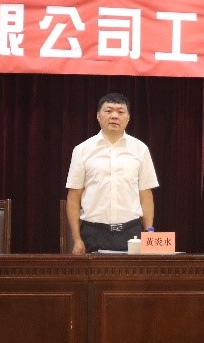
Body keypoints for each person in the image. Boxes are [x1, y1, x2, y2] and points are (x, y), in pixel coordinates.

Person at [65, 93, 158, 253]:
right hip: (93, 232)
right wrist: (77, 239)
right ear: (98, 116)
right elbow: (74, 196)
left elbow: (146, 195)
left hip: (131, 231)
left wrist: (149, 234)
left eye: (120, 112)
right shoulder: (82, 150)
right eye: (108, 111)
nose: (114, 116)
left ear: (128, 118)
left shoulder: (140, 149)